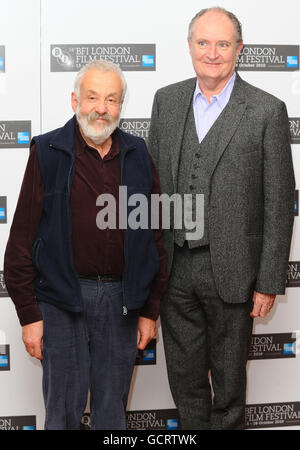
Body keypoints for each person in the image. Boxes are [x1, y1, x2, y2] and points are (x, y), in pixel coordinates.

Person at [148, 7, 295, 430]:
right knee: (185, 380)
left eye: (223, 44)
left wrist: (269, 280)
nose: (212, 53)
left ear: (239, 50)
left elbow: (279, 202)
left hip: (234, 273)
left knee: (229, 388)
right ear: (190, 46)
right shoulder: (167, 100)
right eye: (203, 43)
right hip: (175, 270)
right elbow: (155, 188)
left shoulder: (266, 110)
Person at [4, 60, 168, 430]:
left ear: (121, 106)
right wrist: (30, 314)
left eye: (111, 99)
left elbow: (154, 238)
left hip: (122, 301)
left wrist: (150, 309)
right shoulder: (47, 151)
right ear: (75, 99)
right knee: (61, 414)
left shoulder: (138, 153)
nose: (101, 108)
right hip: (62, 301)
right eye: (92, 97)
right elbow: (21, 240)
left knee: (112, 414)